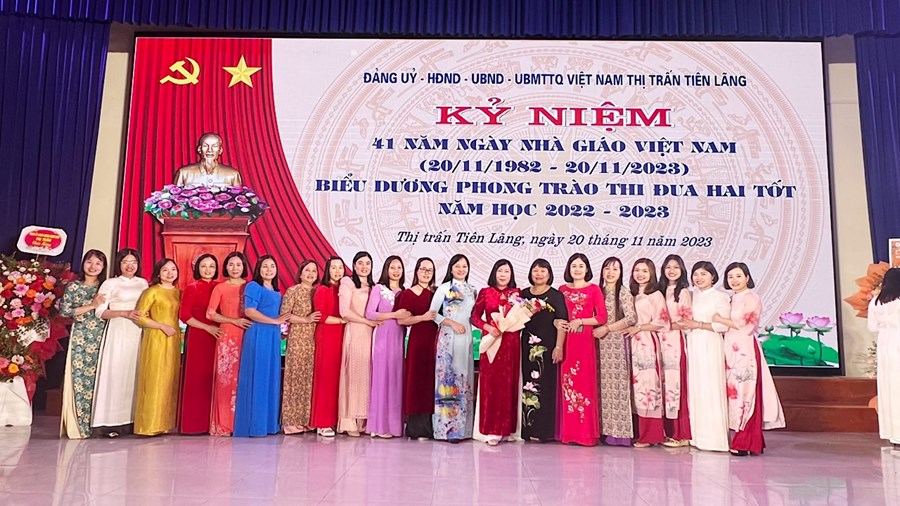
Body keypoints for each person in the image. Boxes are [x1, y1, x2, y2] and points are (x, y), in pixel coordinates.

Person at [716, 262, 785, 455]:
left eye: (739, 276)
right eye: (730, 277)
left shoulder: (752, 298)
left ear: (747, 277)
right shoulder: (731, 299)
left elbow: (746, 324)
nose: (734, 280)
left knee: (745, 393)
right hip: (730, 348)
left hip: (745, 348)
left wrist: (720, 319)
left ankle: (745, 442)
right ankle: (747, 441)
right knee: (734, 393)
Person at [92, 248, 149, 438]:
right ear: (119, 264)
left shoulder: (143, 283)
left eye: (133, 262)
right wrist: (124, 313)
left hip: (137, 331)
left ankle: (131, 421)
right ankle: (109, 422)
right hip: (118, 330)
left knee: (134, 374)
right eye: (125, 262)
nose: (129, 265)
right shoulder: (110, 283)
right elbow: (100, 312)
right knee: (115, 373)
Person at [233, 255, 288, 437]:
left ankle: (269, 425)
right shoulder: (253, 286)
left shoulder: (276, 291)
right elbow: (250, 311)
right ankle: (255, 426)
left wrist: (280, 328)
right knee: (258, 377)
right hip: (258, 334)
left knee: (270, 378)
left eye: (272, 266)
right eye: (265, 266)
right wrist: (275, 321)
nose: (269, 270)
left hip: (273, 336)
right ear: (258, 269)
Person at [679, 261, 730, 452]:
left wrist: (698, 325)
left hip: (711, 344)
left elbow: (723, 325)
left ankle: (715, 439)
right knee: (696, 388)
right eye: (696, 274)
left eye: (703, 274)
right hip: (693, 344)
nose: (699, 278)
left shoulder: (720, 296)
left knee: (711, 388)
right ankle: (697, 437)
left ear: (713, 276)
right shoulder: (692, 296)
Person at [557, 253, 607, 446]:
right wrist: (557, 322)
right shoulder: (562, 290)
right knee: (568, 385)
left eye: (581, 266)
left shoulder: (594, 289)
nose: (577, 269)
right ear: (569, 269)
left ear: (587, 269)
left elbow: (601, 317)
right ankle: (570, 434)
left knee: (585, 385)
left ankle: (586, 435)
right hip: (567, 341)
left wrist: (580, 321)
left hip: (584, 342)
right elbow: (558, 315)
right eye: (574, 266)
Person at [471, 260, 521, 446]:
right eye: (500, 271)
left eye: (507, 271)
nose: (503, 274)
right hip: (491, 341)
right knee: (491, 386)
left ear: (511, 274)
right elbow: (474, 316)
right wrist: (487, 327)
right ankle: (491, 430)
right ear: (494, 272)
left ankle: (507, 430)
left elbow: (521, 317)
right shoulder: (486, 292)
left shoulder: (517, 294)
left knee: (508, 385)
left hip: (511, 343)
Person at [59, 250, 108, 439]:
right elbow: (65, 311)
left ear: (103, 267)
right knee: (79, 380)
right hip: (80, 338)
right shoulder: (74, 286)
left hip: (102, 337)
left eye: (98, 263)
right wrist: (92, 305)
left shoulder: (106, 287)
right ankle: (78, 426)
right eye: (90, 262)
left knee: (98, 381)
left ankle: (98, 424)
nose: (93, 266)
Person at [430, 254, 478, 442]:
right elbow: (433, 314)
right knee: (449, 381)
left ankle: (464, 430)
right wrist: (451, 323)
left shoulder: (472, 290)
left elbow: (473, 316)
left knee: (464, 380)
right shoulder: (444, 288)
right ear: (451, 268)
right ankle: (447, 430)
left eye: (464, 266)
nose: (461, 269)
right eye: (457, 266)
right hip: (449, 339)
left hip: (466, 340)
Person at [520, 259, 568, 442]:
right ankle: (527, 429)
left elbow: (562, 323)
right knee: (527, 386)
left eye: (543, 271)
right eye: (536, 270)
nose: (539, 274)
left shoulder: (555, 295)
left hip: (547, 348)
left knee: (545, 387)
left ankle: (544, 431)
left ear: (549, 274)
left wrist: (558, 347)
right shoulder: (524, 294)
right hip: (527, 347)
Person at [133, 258, 183, 436]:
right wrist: (161, 326)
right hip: (156, 338)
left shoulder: (178, 292)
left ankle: (164, 424)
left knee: (169, 380)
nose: (170, 273)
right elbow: (139, 316)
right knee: (154, 378)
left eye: (173, 269)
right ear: (158, 273)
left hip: (174, 339)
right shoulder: (152, 291)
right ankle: (148, 425)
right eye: (165, 270)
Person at [592, 256, 637, 446]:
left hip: (616, 344)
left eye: (615, 269)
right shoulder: (597, 291)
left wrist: (608, 328)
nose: (610, 273)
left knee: (617, 387)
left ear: (620, 273)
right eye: (607, 269)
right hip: (597, 345)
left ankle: (619, 434)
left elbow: (631, 318)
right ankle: (602, 430)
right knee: (600, 388)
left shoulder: (623, 292)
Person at [206, 252, 251, 436]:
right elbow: (210, 314)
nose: (235, 268)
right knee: (226, 379)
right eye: (231, 264)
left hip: (247, 335)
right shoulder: (220, 287)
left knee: (245, 379)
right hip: (228, 337)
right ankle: (224, 424)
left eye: (238, 265)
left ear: (244, 267)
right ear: (225, 267)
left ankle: (242, 423)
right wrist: (234, 321)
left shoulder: (250, 287)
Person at [366, 256, 411, 438]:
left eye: (399, 267)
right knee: (381, 378)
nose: (396, 271)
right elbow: (370, 313)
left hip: (398, 338)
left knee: (395, 379)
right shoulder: (379, 288)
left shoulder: (405, 292)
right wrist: (394, 314)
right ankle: (379, 426)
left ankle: (394, 426)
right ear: (386, 269)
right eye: (392, 267)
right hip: (382, 338)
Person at [627, 258, 669, 448]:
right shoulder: (631, 293)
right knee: (635, 387)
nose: (640, 274)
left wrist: (639, 327)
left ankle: (650, 434)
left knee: (647, 386)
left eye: (645, 271)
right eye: (637, 270)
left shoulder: (655, 295)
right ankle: (636, 432)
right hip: (631, 342)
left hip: (646, 342)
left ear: (652, 273)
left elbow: (662, 322)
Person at [395, 258, 438, 440]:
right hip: (418, 342)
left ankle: (433, 427)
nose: (426, 273)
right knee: (417, 382)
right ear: (416, 271)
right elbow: (402, 320)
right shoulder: (408, 294)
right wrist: (422, 317)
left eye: (430, 270)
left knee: (432, 382)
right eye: (423, 269)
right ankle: (416, 428)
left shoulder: (436, 293)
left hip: (435, 342)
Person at [337, 251, 379, 436]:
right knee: (353, 375)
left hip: (372, 334)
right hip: (355, 330)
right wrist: (366, 321)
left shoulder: (375, 286)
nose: (364, 267)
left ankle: (364, 421)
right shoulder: (348, 282)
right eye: (360, 263)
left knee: (368, 376)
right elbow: (344, 311)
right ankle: (350, 421)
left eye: (367, 263)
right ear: (354, 265)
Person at [178, 253, 220, 435]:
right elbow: (184, 315)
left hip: (218, 336)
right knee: (196, 378)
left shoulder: (220, 287)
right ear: (197, 268)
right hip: (198, 336)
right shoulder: (192, 287)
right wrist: (207, 327)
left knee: (214, 379)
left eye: (211, 266)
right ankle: (194, 425)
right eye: (204, 266)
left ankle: (214, 423)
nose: (208, 270)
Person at [281, 260, 322, 434]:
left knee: (309, 380)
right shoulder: (293, 291)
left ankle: (307, 420)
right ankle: (291, 422)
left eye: (314, 271)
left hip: (315, 340)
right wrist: (306, 319)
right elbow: (284, 315)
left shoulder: (318, 292)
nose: (310, 274)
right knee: (295, 378)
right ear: (300, 273)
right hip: (298, 339)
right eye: (307, 270)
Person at [309, 256, 347, 437]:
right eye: (334, 267)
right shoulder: (322, 289)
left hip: (343, 336)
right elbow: (320, 316)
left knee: (339, 379)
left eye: (340, 267)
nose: (337, 271)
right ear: (327, 270)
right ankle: (322, 422)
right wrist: (341, 321)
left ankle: (337, 421)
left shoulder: (346, 290)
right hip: (328, 335)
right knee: (326, 379)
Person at [658, 254, 692, 447]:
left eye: (676, 267)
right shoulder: (659, 291)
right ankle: (664, 432)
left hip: (673, 342)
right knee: (661, 385)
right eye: (668, 267)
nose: (671, 271)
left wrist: (664, 326)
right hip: (657, 342)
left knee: (674, 385)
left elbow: (686, 321)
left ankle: (680, 434)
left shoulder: (683, 292)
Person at [870, 268, 900, 446]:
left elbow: (872, 327)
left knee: (888, 388)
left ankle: (891, 432)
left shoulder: (875, 302)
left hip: (884, 344)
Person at [173, 132, 243, 186]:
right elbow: (175, 198)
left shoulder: (233, 174)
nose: (210, 150)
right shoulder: (184, 173)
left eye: (214, 146)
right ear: (199, 149)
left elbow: (238, 198)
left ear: (220, 150)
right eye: (205, 146)